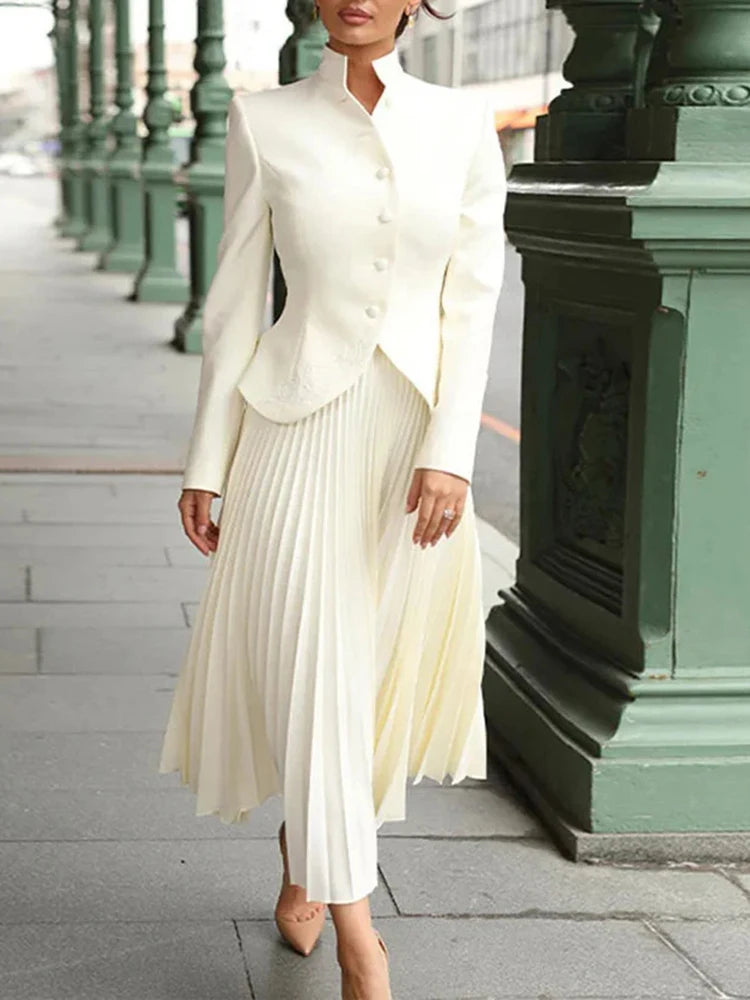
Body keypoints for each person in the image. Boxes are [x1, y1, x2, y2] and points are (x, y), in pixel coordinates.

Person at [158, 1, 507, 997]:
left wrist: (451, 452)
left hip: (410, 442)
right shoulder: (264, 118)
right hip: (293, 426)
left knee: (369, 677)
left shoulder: (461, 125)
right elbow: (234, 302)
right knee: (316, 667)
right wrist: (206, 461)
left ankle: (307, 853)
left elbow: (472, 302)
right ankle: (363, 944)